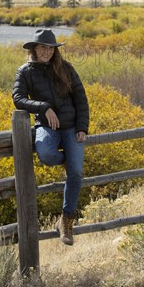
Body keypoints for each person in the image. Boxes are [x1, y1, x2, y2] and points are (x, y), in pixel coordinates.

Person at [12, 28, 89, 246]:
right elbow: (18, 98)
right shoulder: (25, 71)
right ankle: (65, 159)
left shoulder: (66, 69)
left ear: (55, 50)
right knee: (45, 153)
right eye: (42, 47)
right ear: (34, 49)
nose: (47, 52)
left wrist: (82, 127)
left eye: (50, 48)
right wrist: (43, 107)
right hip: (46, 125)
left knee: (75, 173)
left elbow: (81, 99)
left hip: (72, 127)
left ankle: (65, 221)